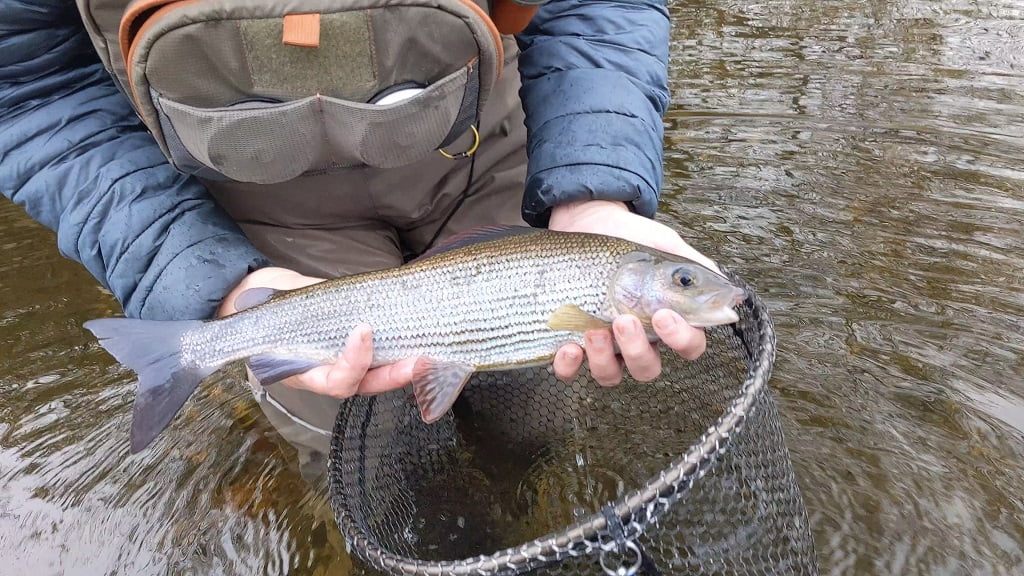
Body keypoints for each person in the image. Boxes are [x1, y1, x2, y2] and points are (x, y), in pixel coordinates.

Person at [0, 0, 719, 467]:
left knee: (531, 412)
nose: (694, 288)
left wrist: (595, 189)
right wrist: (200, 276)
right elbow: (25, 86)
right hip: (250, 209)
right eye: (683, 283)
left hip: (486, 150)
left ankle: (518, 486)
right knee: (357, 448)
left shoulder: (597, 262)